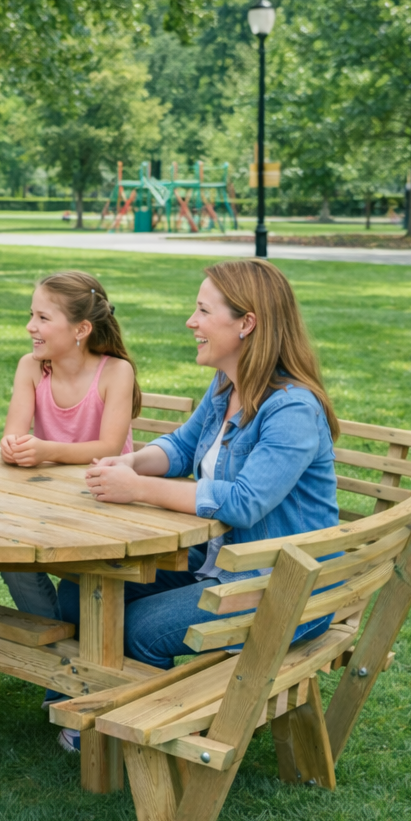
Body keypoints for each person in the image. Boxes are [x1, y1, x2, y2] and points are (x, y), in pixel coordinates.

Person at [59, 259, 340, 730]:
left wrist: (139, 489)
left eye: (203, 311)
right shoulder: (228, 384)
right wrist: (129, 463)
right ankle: (73, 710)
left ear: (246, 323)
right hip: (217, 565)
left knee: (140, 627)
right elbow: (182, 447)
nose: (191, 322)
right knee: (78, 591)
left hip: (279, 589)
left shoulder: (291, 408)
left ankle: (127, 733)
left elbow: (246, 501)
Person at [0, 272, 139, 727]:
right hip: (48, 502)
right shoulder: (31, 367)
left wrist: (44, 451)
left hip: (108, 502)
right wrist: (13, 446)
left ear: (81, 329)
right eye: (30, 316)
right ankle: (64, 668)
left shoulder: (115, 372)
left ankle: (70, 673)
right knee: (9, 551)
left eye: (42, 317)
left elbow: (111, 448)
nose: (30, 327)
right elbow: (15, 433)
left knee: (81, 579)